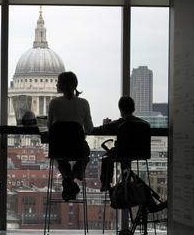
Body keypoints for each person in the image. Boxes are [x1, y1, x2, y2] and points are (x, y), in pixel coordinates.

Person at [96, 96, 167, 213]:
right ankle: (147, 201)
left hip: (123, 153)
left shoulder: (120, 122)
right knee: (130, 174)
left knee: (106, 158)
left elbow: (100, 129)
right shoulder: (145, 124)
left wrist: (106, 124)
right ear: (133, 108)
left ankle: (106, 183)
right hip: (141, 154)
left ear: (120, 109)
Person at [48, 71, 93, 201]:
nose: (56, 84)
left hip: (59, 149)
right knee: (85, 154)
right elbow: (89, 129)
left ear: (61, 86)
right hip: (78, 149)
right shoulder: (84, 103)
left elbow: (50, 128)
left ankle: (69, 180)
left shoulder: (54, 103)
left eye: (58, 82)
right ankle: (72, 178)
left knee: (59, 155)